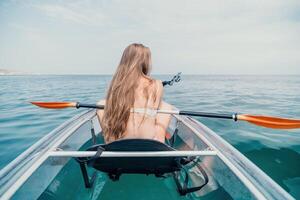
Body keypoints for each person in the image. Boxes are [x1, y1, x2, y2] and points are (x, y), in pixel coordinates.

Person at [97, 43, 173, 143]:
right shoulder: (156, 84)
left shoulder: (115, 84)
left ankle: (109, 140)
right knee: (165, 107)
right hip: (148, 142)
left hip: (117, 144)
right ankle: (160, 139)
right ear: (145, 62)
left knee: (101, 104)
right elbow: (153, 111)